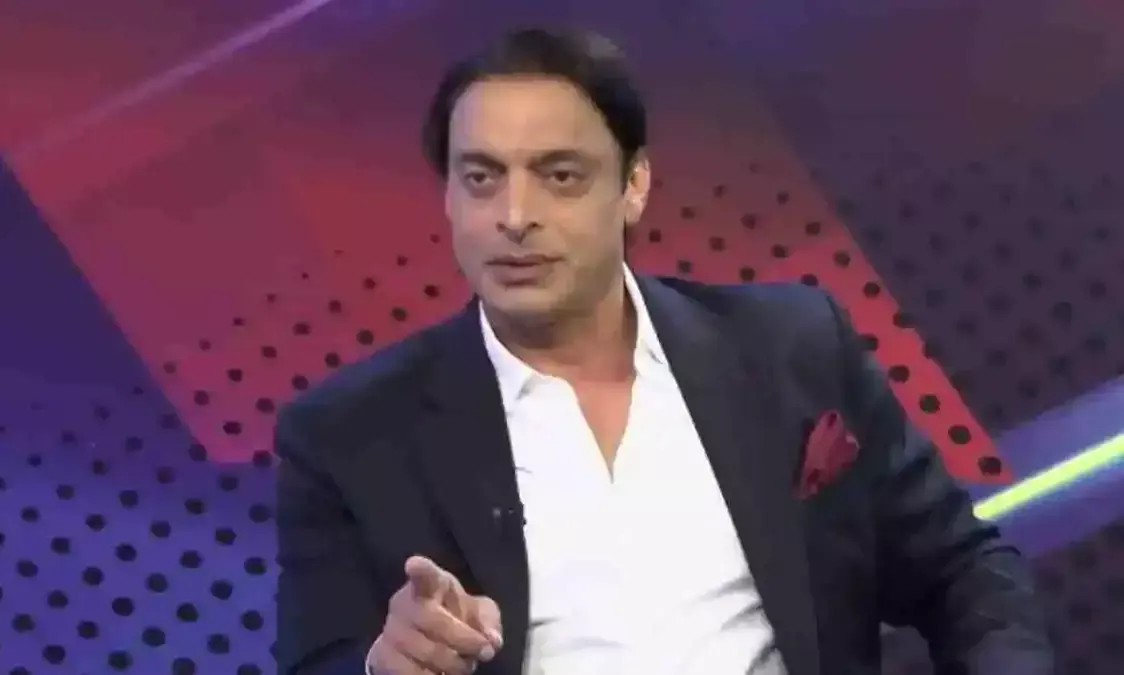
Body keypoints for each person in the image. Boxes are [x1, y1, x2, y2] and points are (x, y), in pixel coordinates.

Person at [274, 27, 1053, 675]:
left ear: (635, 184)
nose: (514, 215)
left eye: (559, 175)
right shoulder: (349, 434)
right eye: (481, 178)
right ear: (447, 195)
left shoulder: (790, 347)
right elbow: (320, 660)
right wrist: (385, 664)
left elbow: (963, 570)